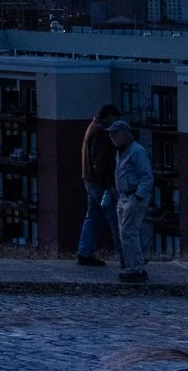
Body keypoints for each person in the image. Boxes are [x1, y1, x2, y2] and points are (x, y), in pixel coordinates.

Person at [76, 103, 120, 266]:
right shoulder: (101, 132)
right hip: (99, 183)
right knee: (114, 217)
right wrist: (109, 185)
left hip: (90, 180)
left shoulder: (92, 127)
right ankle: (124, 256)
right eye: (115, 117)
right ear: (109, 116)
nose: (116, 121)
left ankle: (84, 252)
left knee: (93, 215)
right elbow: (100, 163)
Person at [109, 118, 152, 283]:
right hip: (123, 196)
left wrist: (139, 195)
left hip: (133, 196)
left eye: (115, 134)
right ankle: (135, 264)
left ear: (125, 134)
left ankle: (136, 268)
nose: (112, 137)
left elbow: (146, 176)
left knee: (128, 232)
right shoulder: (122, 151)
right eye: (111, 135)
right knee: (125, 233)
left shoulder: (137, 151)